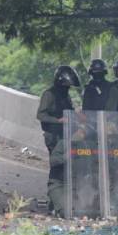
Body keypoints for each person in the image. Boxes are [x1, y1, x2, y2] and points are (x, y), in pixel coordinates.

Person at [36, 65, 81, 216]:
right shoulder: (49, 94)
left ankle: (59, 201)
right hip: (53, 135)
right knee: (57, 165)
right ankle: (55, 201)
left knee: (66, 166)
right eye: (67, 86)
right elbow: (41, 115)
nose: (68, 89)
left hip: (65, 135)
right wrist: (58, 121)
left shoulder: (65, 96)